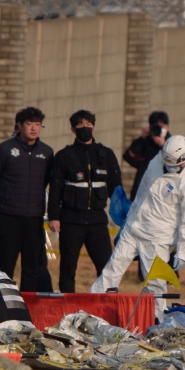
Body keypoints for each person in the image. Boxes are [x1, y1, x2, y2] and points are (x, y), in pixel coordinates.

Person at [92, 135, 185, 320]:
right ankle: (93, 312)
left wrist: (183, 252)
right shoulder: (158, 161)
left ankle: (156, 321)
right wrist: (129, 220)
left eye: (173, 165)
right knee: (111, 270)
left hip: (158, 238)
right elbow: (143, 190)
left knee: (154, 284)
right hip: (134, 229)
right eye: (166, 162)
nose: (168, 167)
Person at [48, 109, 122, 293]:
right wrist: (54, 216)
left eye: (89, 124)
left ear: (94, 128)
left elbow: (116, 188)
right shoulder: (64, 156)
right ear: (73, 129)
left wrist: (123, 215)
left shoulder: (106, 155)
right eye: (80, 125)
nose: (85, 128)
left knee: (107, 268)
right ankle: (67, 307)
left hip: (98, 221)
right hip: (71, 221)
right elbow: (55, 188)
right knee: (68, 268)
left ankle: (108, 305)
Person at [0, 107, 54, 291]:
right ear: (19, 125)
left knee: (32, 266)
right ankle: (3, 300)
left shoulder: (47, 153)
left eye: (38, 124)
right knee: (5, 263)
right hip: (9, 215)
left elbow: (47, 181)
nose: (34, 128)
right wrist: (7, 200)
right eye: (29, 124)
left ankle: (28, 306)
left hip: (34, 217)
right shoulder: (4, 149)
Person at [123, 111, 170, 201]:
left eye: (162, 126)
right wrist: (142, 139)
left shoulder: (171, 143)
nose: (159, 129)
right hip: (143, 187)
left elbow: (175, 164)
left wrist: (163, 146)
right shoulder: (146, 142)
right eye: (156, 126)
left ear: (167, 126)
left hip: (161, 188)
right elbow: (129, 157)